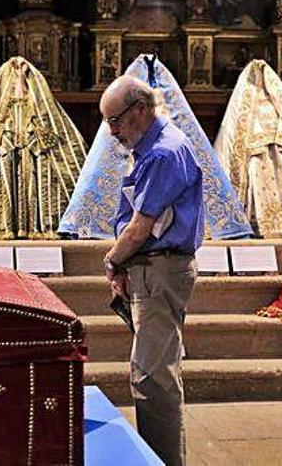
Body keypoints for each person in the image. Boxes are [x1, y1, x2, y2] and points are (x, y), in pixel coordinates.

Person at [101, 75, 204, 466]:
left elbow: (140, 227)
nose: (112, 132)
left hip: (161, 269)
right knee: (153, 373)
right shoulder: (153, 147)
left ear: (141, 110)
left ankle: (160, 462)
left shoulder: (164, 152)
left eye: (116, 121)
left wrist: (112, 260)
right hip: (150, 268)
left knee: (153, 380)